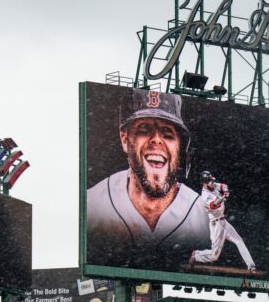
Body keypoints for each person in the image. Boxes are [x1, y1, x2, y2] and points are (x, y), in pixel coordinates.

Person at [86, 89, 209, 271]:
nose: (156, 140)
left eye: (167, 133)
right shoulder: (92, 204)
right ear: (125, 139)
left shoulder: (203, 215)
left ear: (179, 146)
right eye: (144, 129)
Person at [189, 171, 256, 271]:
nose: (212, 182)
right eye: (209, 181)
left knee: (239, 240)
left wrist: (225, 190)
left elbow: (223, 186)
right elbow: (213, 205)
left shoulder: (213, 184)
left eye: (211, 180)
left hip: (223, 221)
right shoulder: (204, 196)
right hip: (216, 225)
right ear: (204, 183)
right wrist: (223, 198)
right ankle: (197, 255)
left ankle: (251, 265)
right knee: (214, 256)